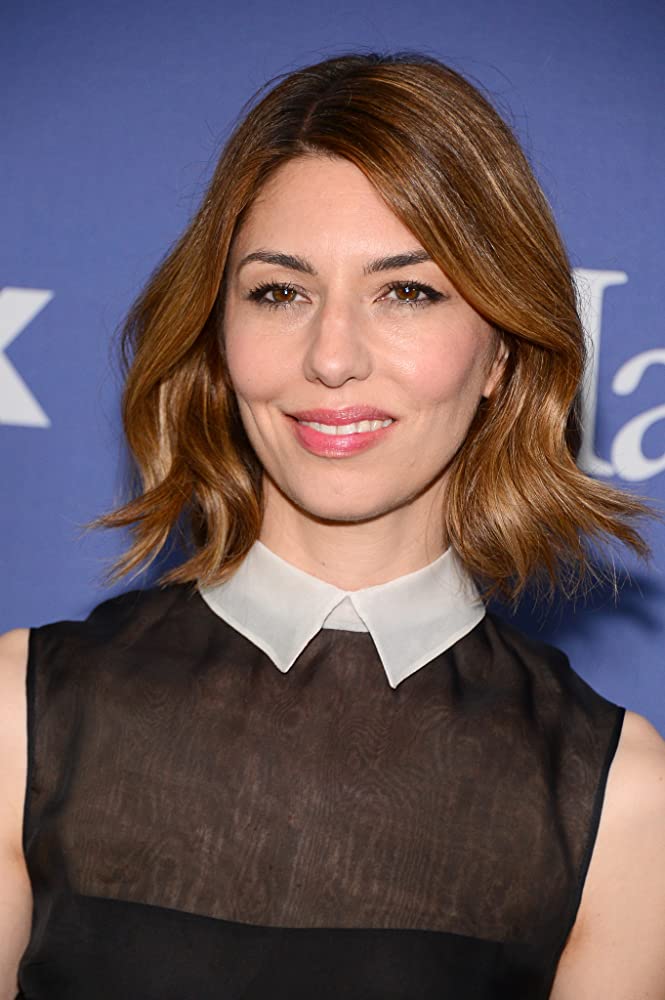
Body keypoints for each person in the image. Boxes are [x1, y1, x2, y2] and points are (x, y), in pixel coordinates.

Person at [1, 51, 664, 1000]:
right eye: (280, 292)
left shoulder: (619, 799)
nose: (332, 356)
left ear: (501, 357)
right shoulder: (20, 718)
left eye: (407, 291)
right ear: (218, 336)